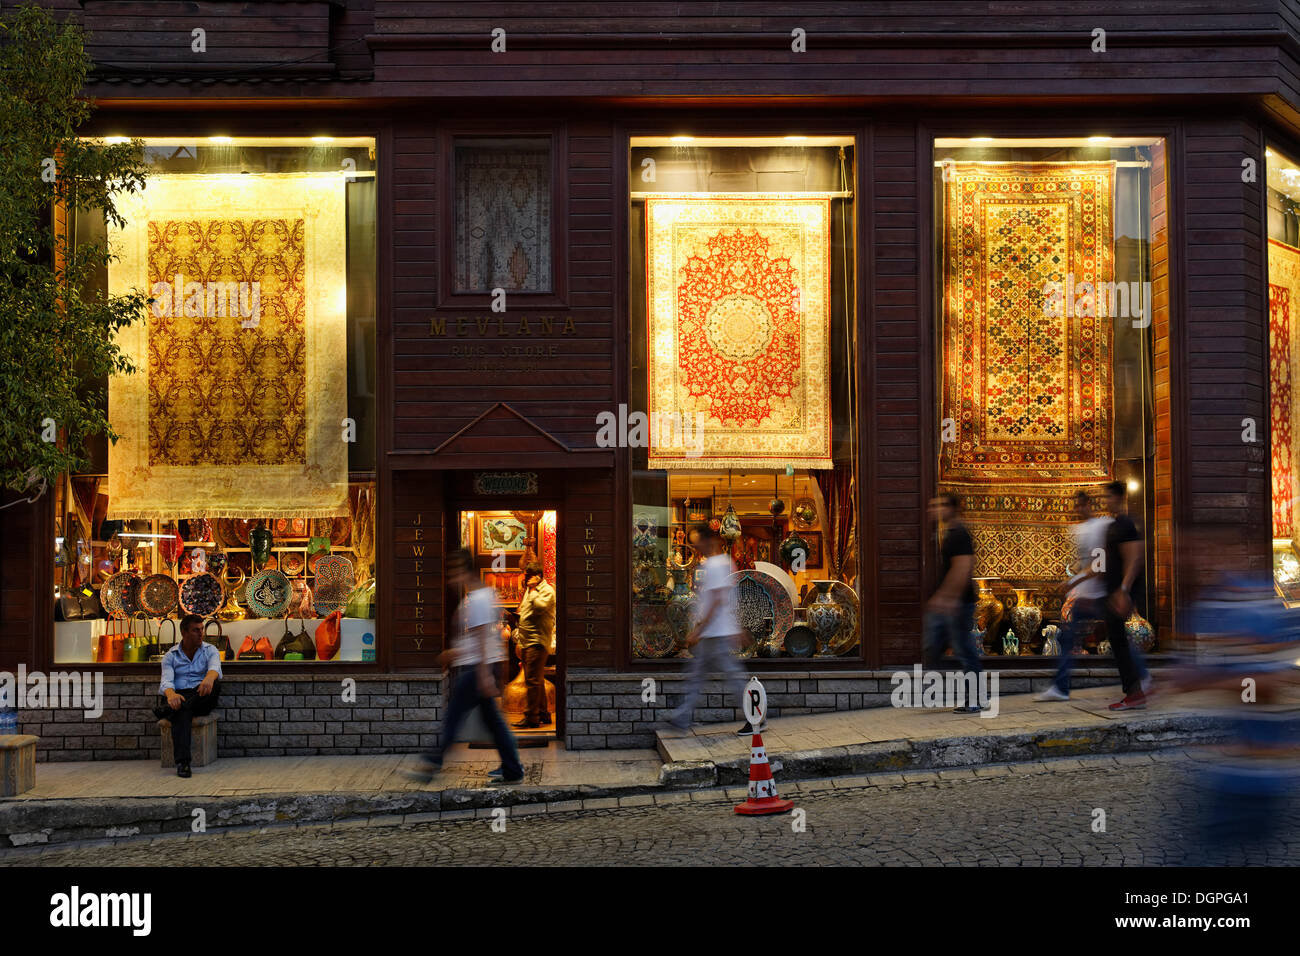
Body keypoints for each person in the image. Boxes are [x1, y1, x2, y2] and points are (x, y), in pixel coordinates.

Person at [410, 548, 524, 783]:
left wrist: (483, 676)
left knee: (453, 716)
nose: (452, 578)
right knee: (492, 721)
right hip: (479, 666)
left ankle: (432, 761)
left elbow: (482, 637)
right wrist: (455, 654)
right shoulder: (479, 595)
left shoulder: (479, 598)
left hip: (476, 669)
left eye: (454, 571)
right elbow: (481, 639)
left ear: (465, 570)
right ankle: (512, 768)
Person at [666, 523, 761, 736]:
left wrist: (698, 629)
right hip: (714, 632)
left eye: (697, 543)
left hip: (716, 633)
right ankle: (683, 716)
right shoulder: (719, 563)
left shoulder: (717, 564)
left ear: (709, 540)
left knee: (730, 677)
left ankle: (755, 718)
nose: (697, 547)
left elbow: (717, 600)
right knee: (699, 675)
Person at [1036, 491, 1110, 701]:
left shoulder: (1099, 528)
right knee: (1067, 638)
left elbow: (1099, 565)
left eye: (1080, 505)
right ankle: (1060, 687)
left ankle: (1140, 675)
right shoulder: (1077, 530)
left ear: (1089, 504)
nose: (1077, 510)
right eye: (1075, 506)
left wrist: (1072, 582)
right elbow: (1083, 563)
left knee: (1117, 639)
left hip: (1099, 595)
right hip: (1086, 595)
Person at [924, 494, 986, 713]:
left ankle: (976, 699)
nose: (935, 510)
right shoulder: (950, 533)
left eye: (940, 505)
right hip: (954, 603)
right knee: (950, 648)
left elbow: (962, 568)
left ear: (952, 508)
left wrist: (947, 598)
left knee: (965, 651)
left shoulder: (958, 534)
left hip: (959, 604)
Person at [1101, 480, 1154, 710]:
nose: (1106, 501)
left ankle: (1136, 691)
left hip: (1120, 594)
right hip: (1111, 593)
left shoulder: (1125, 525)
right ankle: (1137, 687)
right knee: (1118, 639)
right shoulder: (1114, 525)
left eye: (1109, 497)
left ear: (1120, 498)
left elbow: (1134, 559)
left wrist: (1124, 590)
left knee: (1119, 640)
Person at [153, 613, 222, 778]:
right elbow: (166, 682)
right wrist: (170, 695)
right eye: (196, 630)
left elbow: (215, 669)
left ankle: (167, 710)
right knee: (182, 711)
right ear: (184, 632)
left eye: (201, 629)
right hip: (180, 695)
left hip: (201, 694)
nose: (201, 633)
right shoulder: (171, 655)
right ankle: (183, 763)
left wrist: (209, 678)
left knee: (215, 685)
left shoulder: (209, 650)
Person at [510, 561, 555, 729]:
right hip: (528, 641)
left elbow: (539, 608)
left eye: (528, 576)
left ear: (538, 577)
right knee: (537, 680)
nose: (526, 579)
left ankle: (531, 717)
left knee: (532, 681)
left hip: (537, 641)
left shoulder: (547, 591)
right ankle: (543, 713)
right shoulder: (531, 590)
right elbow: (526, 609)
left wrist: (534, 589)